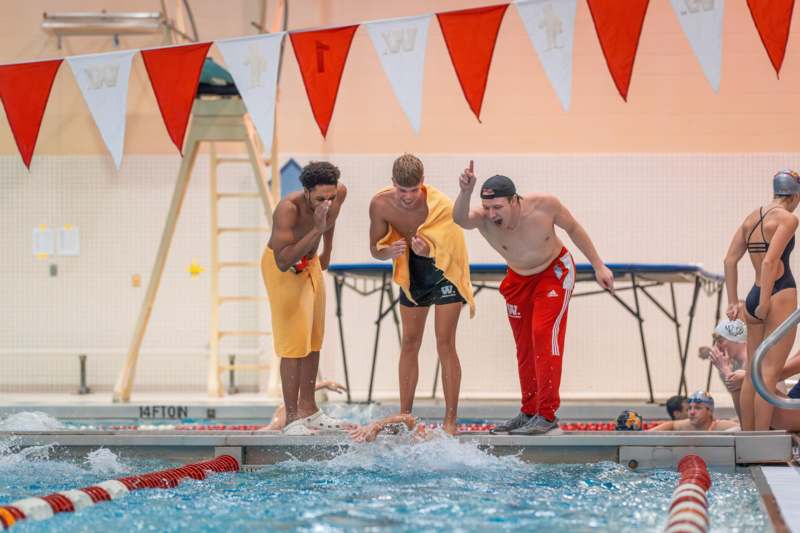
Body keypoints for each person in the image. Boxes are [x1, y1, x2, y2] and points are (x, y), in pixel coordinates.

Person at [453, 162, 614, 435]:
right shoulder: (481, 217)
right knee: (524, 346)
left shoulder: (544, 205)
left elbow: (573, 228)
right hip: (518, 279)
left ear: (515, 201)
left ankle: (547, 415)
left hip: (554, 272)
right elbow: (459, 219)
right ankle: (529, 411)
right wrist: (465, 192)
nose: (492, 214)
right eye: (488, 207)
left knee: (543, 334)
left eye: (498, 208)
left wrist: (598, 265)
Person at [369, 154, 475, 435]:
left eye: (414, 190)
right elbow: (375, 249)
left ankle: (450, 422)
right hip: (412, 271)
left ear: (422, 184)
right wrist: (386, 252)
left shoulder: (439, 205)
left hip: (443, 272)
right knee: (410, 342)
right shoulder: (380, 204)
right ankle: (406, 416)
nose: (407, 197)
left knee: (445, 343)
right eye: (402, 190)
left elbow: (452, 248)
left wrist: (430, 251)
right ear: (393, 184)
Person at [261, 161, 349, 435]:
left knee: (313, 338)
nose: (327, 202)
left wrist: (328, 251)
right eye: (320, 198)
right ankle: (291, 419)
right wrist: (316, 230)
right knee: (292, 344)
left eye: (331, 197)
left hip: (310, 262)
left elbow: (330, 220)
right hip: (283, 269)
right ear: (307, 192)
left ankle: (309, 411)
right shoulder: (288, 209)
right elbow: (283, 260)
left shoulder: (339, 193)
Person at [724, 169, 800, 430]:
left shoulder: (751, 218)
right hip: (778, 294)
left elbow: (729, 260)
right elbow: (770, 261)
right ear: (794, 195)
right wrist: (767, 300)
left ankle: (748, 438)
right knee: (767, 374)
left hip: (752, 296)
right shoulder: (788, 219)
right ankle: (762, 443)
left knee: (752, 375)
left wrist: (733, 301)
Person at [702, 318, 748, 419]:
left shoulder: (751, 361)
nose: (716, 347)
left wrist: (725, 370)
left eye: (720, 341)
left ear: (736, 339)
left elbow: (745, 417)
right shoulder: (744, 362)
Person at [262, 381, 348, 431]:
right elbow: (294, 398)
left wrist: (325, 384)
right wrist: (324, 384)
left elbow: (295, 397)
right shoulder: (278, 423)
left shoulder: (282, 418)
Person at [649, 391, 739, 431]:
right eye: (689, 408)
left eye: (698, 408)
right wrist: (649, 434)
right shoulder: (689, 424)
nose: (691, 412)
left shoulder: (719, 426)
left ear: (710, 411)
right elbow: (671, 424)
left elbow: (743, 429)